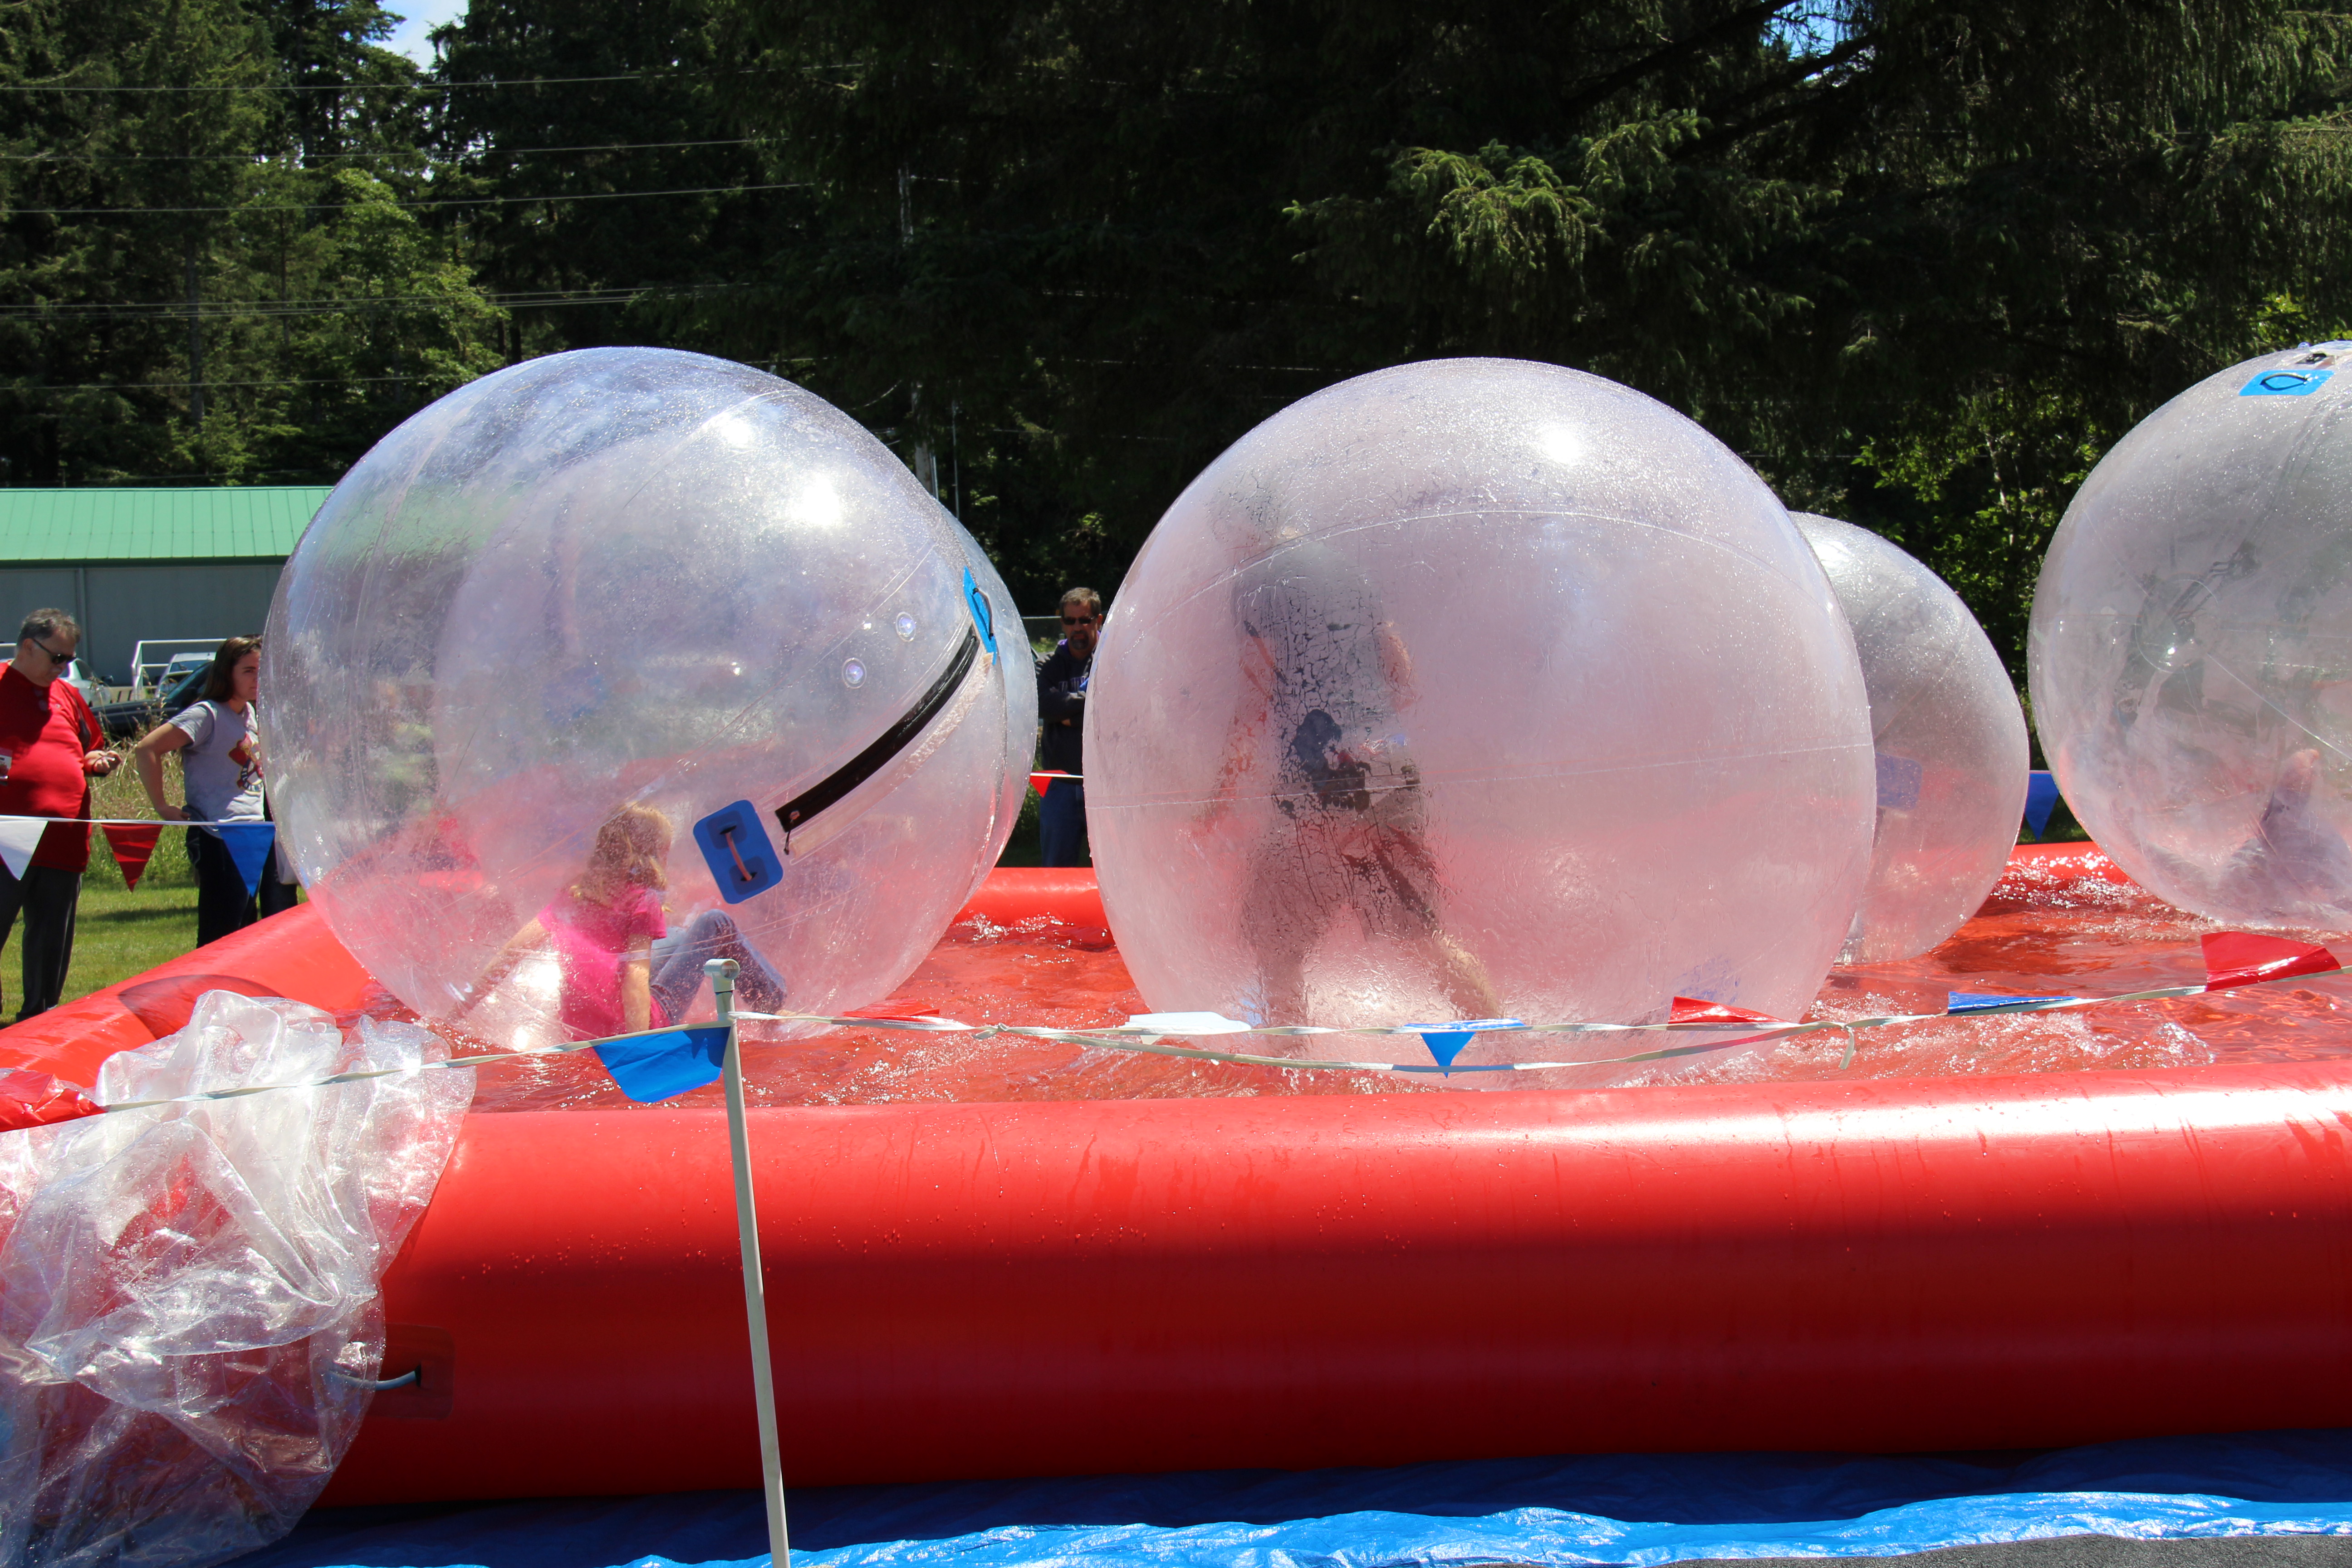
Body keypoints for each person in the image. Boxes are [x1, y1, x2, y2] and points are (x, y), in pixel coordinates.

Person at [1203, 540, 1498, 1025]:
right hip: (1387, 771)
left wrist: (1217, 798)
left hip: (1319, 782)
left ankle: (1289, 1073)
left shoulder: (1257, 583)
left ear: (1243, 531)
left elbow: (1253, 696)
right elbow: (1404, 678)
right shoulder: (1350, 572)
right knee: (1422, 936)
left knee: (1278, 944)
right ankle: (1508, 1053)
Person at [460, 803, 787, 1040]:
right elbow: (634, 974)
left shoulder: (574, 895)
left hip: (583, 1025)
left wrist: (460, 1010)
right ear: (652, 853)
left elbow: (514, 950)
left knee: (679, 935)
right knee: (715, 925)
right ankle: (772, 1004)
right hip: (637, 1024)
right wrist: (637, 1045)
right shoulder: (641, 902)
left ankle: (691, 952)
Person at [134, 635, 299, 946]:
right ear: (227, 672)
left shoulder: (250, 715)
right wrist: (161, 805)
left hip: (253, 833)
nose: (258, 679)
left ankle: (236, 994)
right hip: (219, 835)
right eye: (249, 671)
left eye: (262, 671)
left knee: (245, 933)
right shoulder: (206, 714)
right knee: (221, 934)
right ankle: (206, 993)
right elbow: (147, 749)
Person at [0, 609, 120, 1021]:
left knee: (52, 938)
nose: (65, 668)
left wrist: (97, 760)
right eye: (58, 659)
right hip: (6, 840)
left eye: (69, 660)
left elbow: (90, 746)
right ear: (29, 646)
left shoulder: (67, 696)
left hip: (64, 839)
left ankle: (39, 1017)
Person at [1034, 587, 1100, 867]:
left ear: (1098, 621)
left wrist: (1063, 713)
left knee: (1114, 874)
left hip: (1102, 787)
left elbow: (1113, 703)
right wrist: (1088, 708)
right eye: (1071, 621)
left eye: (1084, 620)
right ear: (1062, 622)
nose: (1078, 628)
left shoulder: (1109, 661)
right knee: (1055, 873)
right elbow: (1041, 705)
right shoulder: (1046, 665)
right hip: (1058, 785)